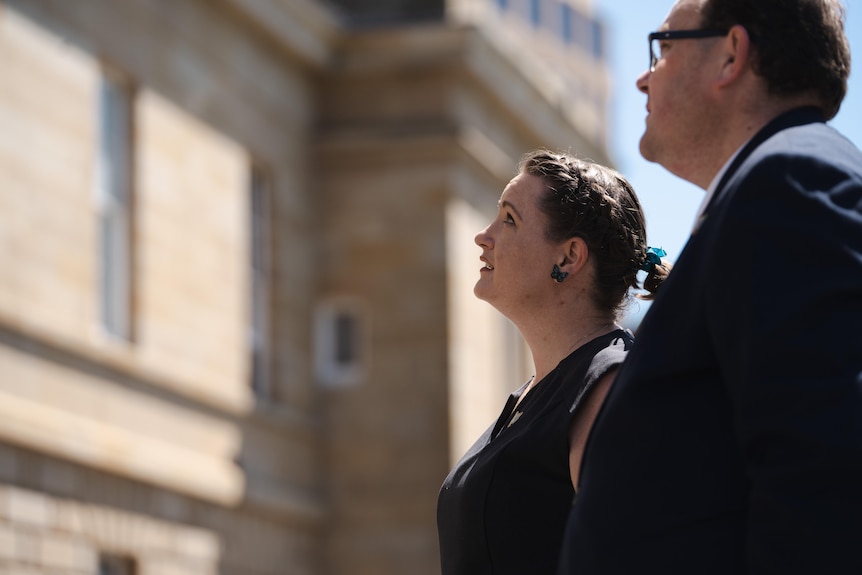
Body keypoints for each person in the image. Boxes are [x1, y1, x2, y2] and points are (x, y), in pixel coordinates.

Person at [558, 1, 862, 573]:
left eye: (665, 47)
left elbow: (825, 479)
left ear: (730, 54)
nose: (643, 75)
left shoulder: (788, 183)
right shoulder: (768, 188)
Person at [436, 149, 668, 575]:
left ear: (567, 258)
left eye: (509, 219)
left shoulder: (606, 387)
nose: (483, 236)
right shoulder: (531, 396)